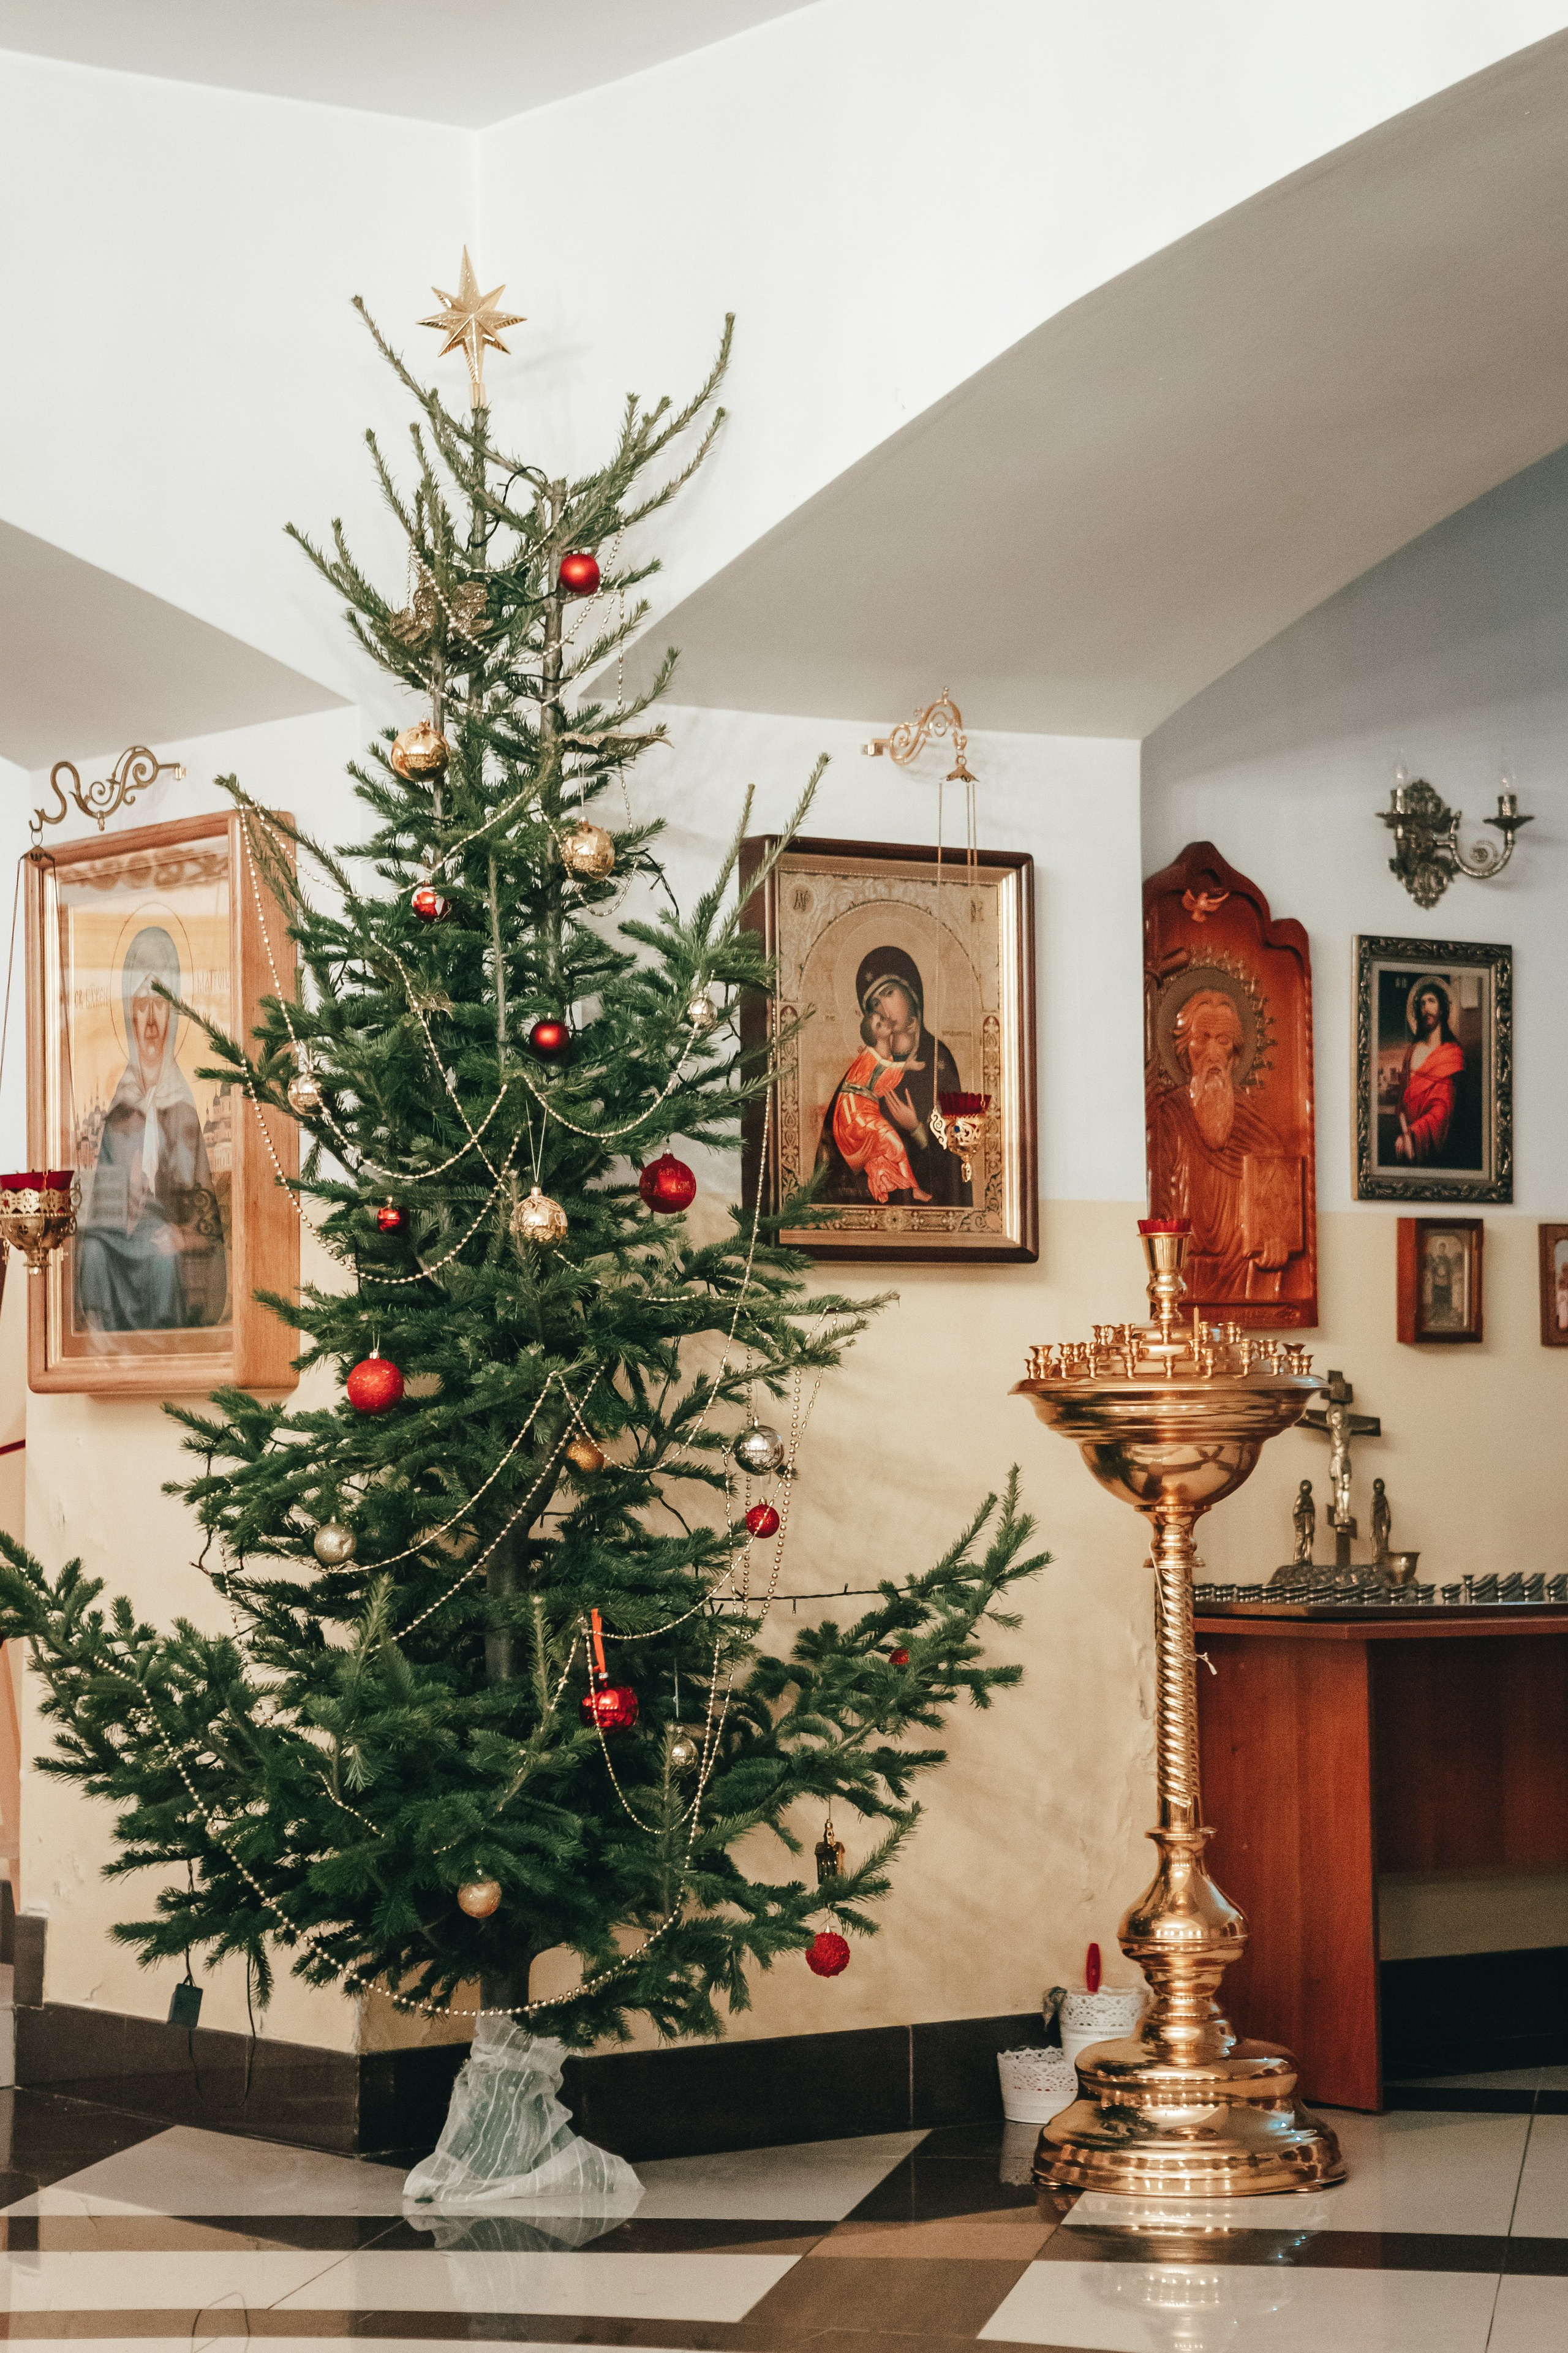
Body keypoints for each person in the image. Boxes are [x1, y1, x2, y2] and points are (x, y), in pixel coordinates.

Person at [75, 925, 228, 1333]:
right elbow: (96, 1212)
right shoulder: (119, 1112)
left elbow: (206, 1218)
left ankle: (164, 1348)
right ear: (130, 1013)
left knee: (164, 1258)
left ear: (172, 1014)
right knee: (92, 1252)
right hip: (120, 1236)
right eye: (141, 1004)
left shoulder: (183, 1113)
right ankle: (101, 1351)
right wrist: (122, 1196)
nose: (150, 1021)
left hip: (162, 1237)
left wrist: (181, 1234)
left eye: (160, 1004)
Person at [1149, 987, 1296, 1303]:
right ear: (1183, 1047)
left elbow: (1277, 1204)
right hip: (1183, 1274)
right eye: (1202, 1038)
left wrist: (1275, 1240)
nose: (1213, 1054)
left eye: (1223, 1041)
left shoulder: (1259, 1131)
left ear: (1236, 1054)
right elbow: (1159, 1204)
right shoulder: (1168, 1117)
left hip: (1241, 1275)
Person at [815, 946, 970, 1208]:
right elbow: (831, 1167)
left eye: (889, 993)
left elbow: (959, 1159)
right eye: (876, 1003)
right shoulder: (863, 1069)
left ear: (912, 994)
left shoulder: (939, 1061)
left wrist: (916, 1129)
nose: (885, 1009)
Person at [1394, 981, 1465, 1164]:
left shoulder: (1452, 1055)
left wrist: (1412, 1135)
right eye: (1422, 1003)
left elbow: (1443, 1109)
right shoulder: (1412, 1051)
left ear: (1442, 1010)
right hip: (1407, 1138)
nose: (1426, 1007)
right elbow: (1402, 1103)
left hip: (1437, 1147)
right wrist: (1405, 1134)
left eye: (1431, 1001)